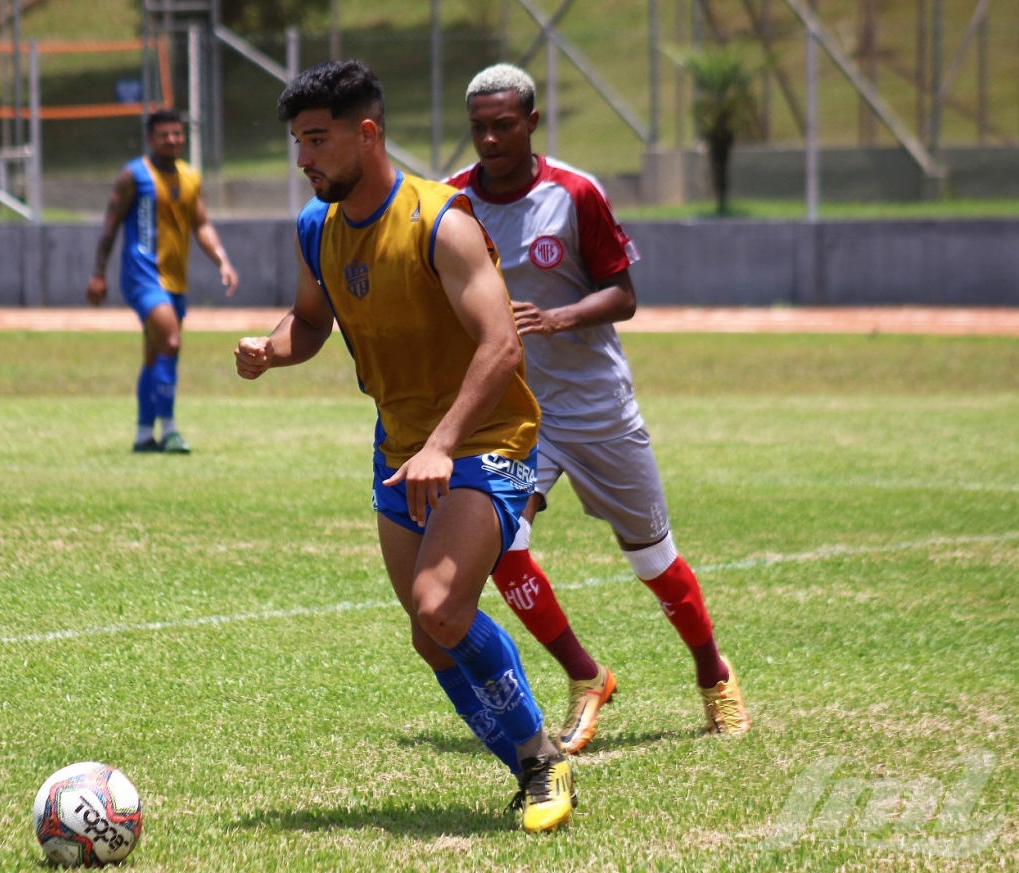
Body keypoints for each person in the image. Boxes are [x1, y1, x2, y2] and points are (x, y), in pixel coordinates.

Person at [234, 60, 574, 834]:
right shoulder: (315, 228)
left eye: (317, 140)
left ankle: (540, 757)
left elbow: (500, 350)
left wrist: (443, 445)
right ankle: (531, 761)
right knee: (433, 634)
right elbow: (311, 321)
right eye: (296, 142)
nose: (303, 159)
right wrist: (273, 349)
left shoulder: (439, 222)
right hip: (401, 446)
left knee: (438, 603)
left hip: (486, 437)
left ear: (368, 133)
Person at [446, 64, 750, 751]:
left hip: (594, 406)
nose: (489, 139)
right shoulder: (453, 202)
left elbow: (624, 294)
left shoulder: (574, 193)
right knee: (502, 545)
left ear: (530, 122)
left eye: (503, 125)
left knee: (652, 558)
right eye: (478, 127)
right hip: (516, 413)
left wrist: (557, 318)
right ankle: (587, 676)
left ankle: (713, 672)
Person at [87, 109, 239, 454]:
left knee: (155, 355)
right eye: (164, 135)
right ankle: (170, 430)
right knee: (171, 342)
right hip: (142, 278)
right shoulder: (134, 176)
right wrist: (98, 273)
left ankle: (143, 434)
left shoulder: (189, 177)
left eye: (176, 134)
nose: (172, 140)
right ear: (150, 139)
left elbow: (200, 224)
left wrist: (223, 261)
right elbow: (110, 225)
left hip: (175, 281)